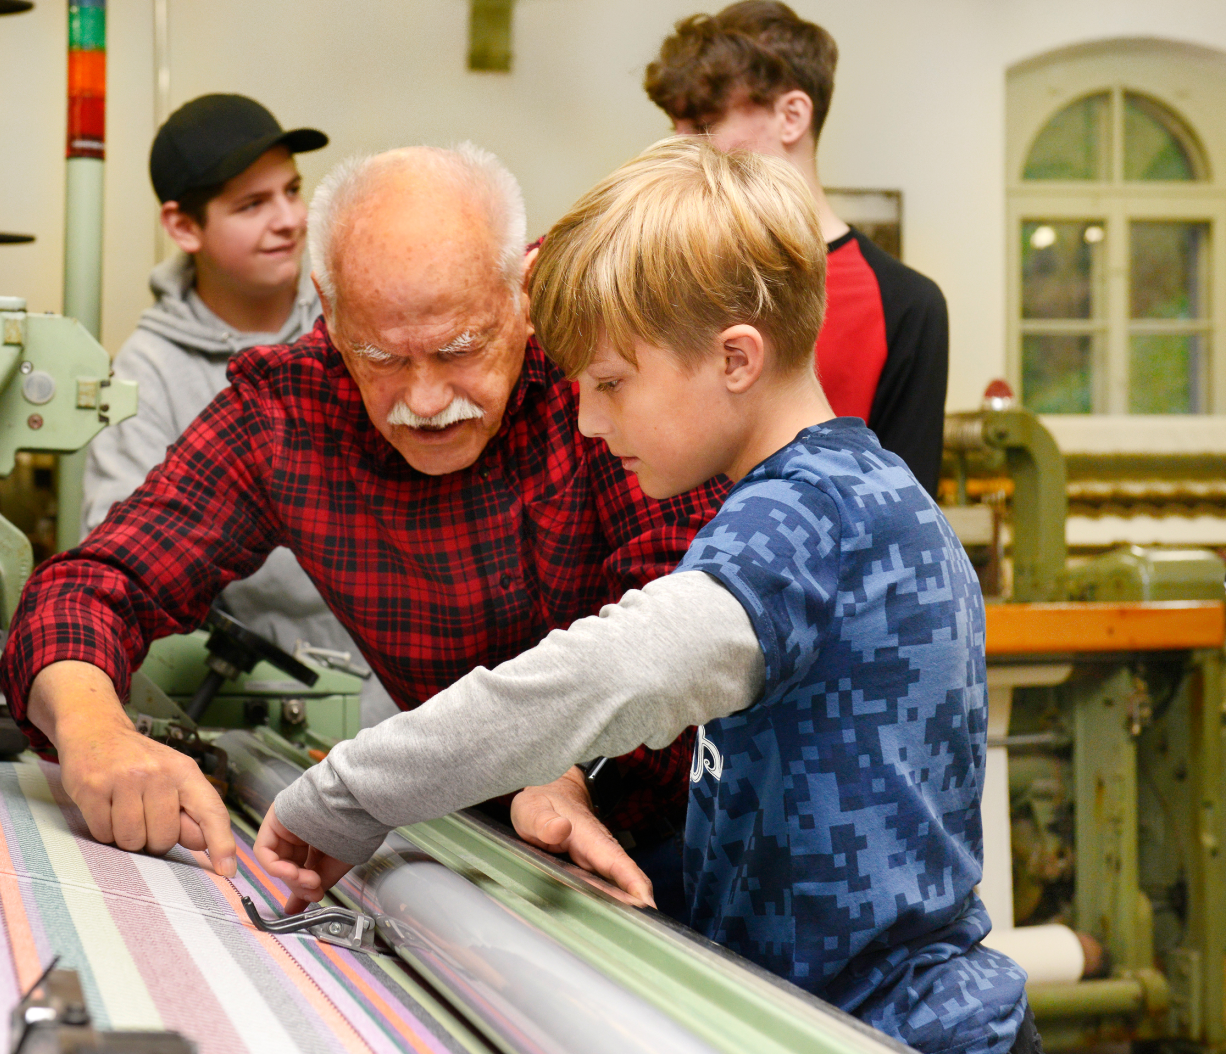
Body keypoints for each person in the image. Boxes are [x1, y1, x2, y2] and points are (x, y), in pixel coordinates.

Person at [255, 138, 1032, 1054]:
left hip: (888, 1029)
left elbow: (605, 675)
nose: (587, 419)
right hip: (812, 1014)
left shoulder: (805, 526)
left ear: (736, 358)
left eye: (613, 383)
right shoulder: (849, 491)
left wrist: (349, 794)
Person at [0, 143, 728, 907]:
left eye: (459, 349)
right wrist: (94, 733)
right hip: (469, 835)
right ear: (331, 306)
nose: (423, 399)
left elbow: (680, 631)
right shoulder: (287, 415)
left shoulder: (605, 374)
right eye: (380, 356)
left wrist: (567, 772)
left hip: (680, 825)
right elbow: (97, 583)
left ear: (523, 289)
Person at [79, 94, 396, 728]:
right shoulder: (148, 372)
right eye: (252, 205)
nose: (289, 220)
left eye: (292, 190)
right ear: (183, 227)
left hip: (405, 695)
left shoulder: (360, 318)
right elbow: (125, 555)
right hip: (263, 706)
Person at [645, 1, 948, 495]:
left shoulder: (905, 305)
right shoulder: (662, 277)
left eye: (703, 123)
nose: (679, 148)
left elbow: (905, 522)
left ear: (792, 115)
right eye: (674, 126)